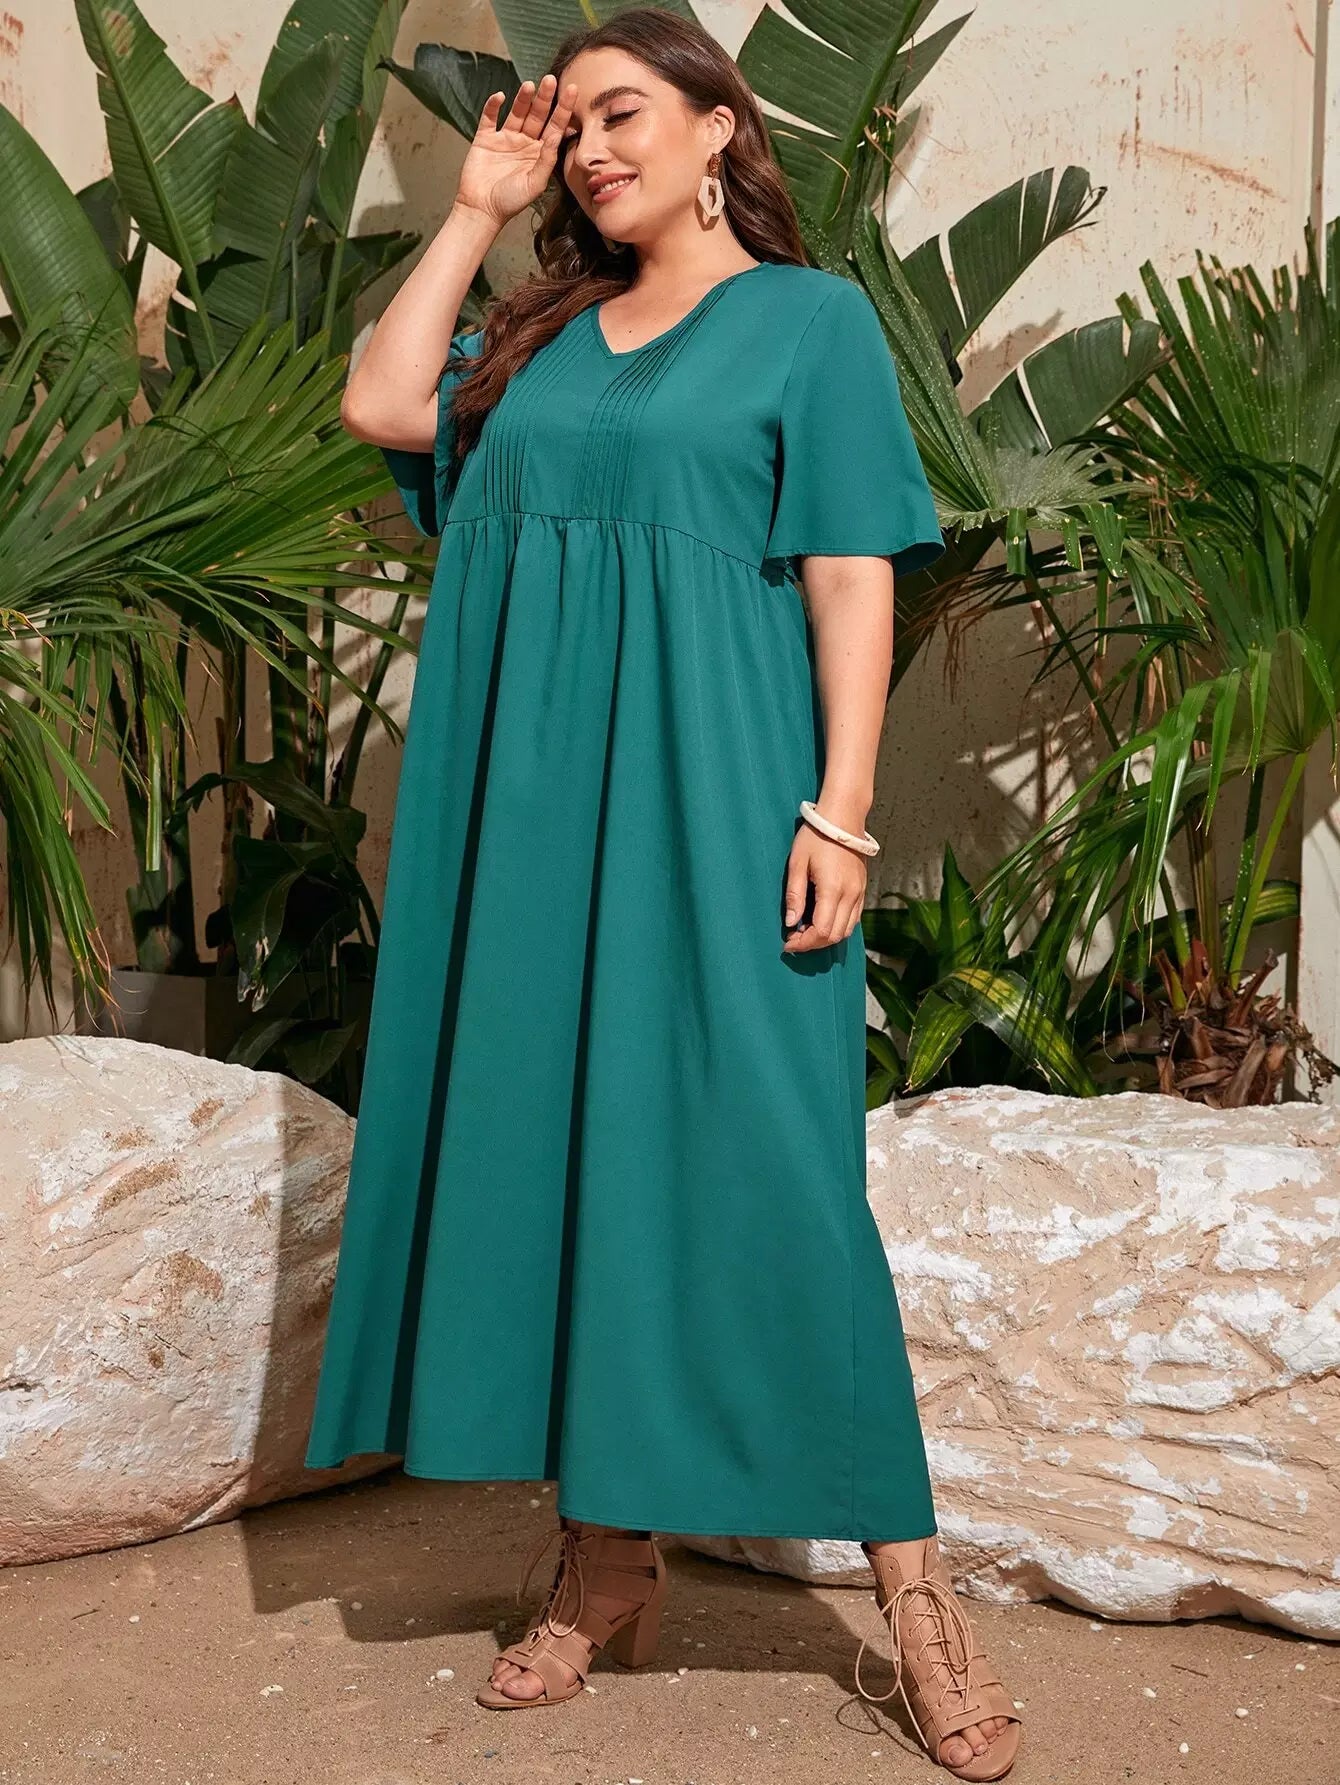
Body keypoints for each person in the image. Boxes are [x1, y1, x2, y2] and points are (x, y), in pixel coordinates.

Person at [303, 7, 1020, 1778]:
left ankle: (912, 1590)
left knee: (779, 1172)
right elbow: (381, 405)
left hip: (718, 797)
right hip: (528, 822)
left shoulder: (811, 321)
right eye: (577, 130)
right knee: (574, 1157)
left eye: (627, 114)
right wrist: (478, 208)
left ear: (720, 127)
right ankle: (605, 1558)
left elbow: (850, 570)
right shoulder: (539, 334)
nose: (598, 150)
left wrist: (843, 809)